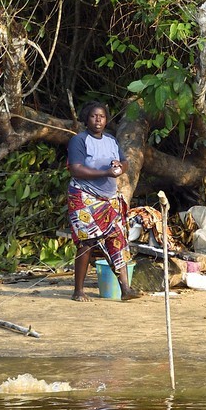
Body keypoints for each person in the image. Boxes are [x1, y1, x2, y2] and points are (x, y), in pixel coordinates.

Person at [67, 102, 139, 301]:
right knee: (87, 241)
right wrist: (105, 172)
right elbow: (76, 169)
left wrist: (119, 167)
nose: (98, 120)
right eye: (93, 116)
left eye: (102, 116)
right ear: (86, 119)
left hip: (109, 198)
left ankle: (126, 289)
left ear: (106, 120)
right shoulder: (79, 141)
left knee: (117, 240)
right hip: (84, 196)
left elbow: (124, 162)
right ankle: (78, 291)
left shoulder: (111, 140)